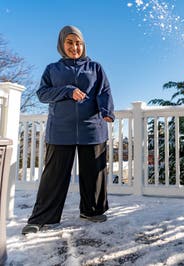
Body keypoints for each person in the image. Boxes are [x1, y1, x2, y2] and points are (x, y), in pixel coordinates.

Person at [22, 25, 115, 235]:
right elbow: (42, 94)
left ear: (83, 45)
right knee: (54, 175)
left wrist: (107, 111)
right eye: (70, 42)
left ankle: (92, 211)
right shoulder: (52, 69)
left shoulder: (95, 67)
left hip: (92, 127)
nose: (75, 47)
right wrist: (67, 91)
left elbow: (105, 91)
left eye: (78, 43)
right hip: (60, 129)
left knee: (94, 173)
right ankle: (42, 218)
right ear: (62, 44)